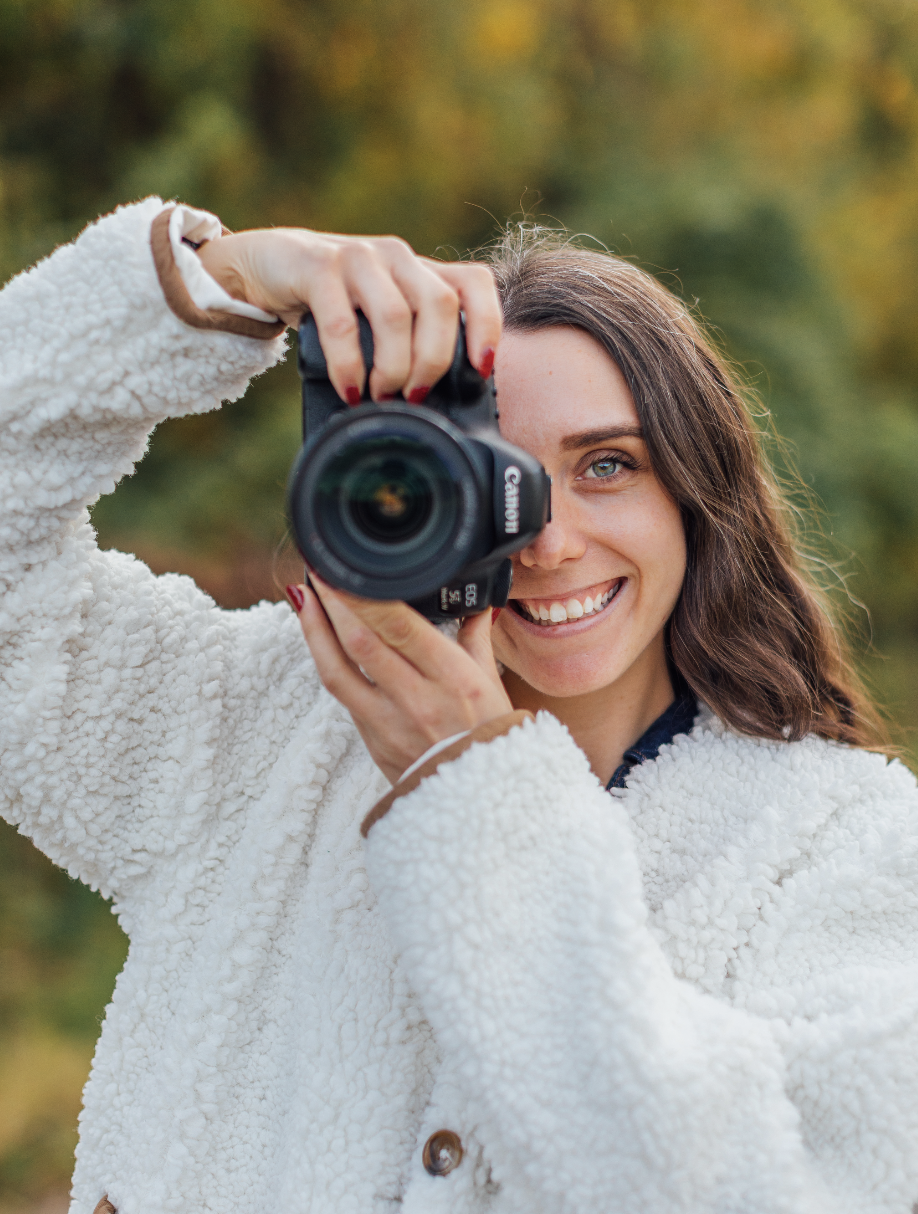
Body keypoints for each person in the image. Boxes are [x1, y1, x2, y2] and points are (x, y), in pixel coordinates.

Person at [1, 197, 916, 1214]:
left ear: (699, 497)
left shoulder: (843, 848)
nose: (548, 539)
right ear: (379, 490)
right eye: (486, 474)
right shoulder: (249, 736)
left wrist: (473, 789)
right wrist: (219, 285)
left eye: (606, 465)